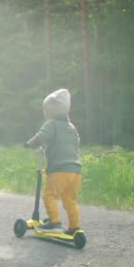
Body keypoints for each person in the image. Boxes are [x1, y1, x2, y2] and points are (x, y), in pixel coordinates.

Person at [24, 88, 82, 235]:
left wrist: (30, 143)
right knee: (70, 200)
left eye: (45, 109)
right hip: (75, 170)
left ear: (50, 111)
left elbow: (42, 136)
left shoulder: (51, 124)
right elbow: (72, 143)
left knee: (49, 195)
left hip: (59, 170)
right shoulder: (72, 127)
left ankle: (55, 223)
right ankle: (75, 227)